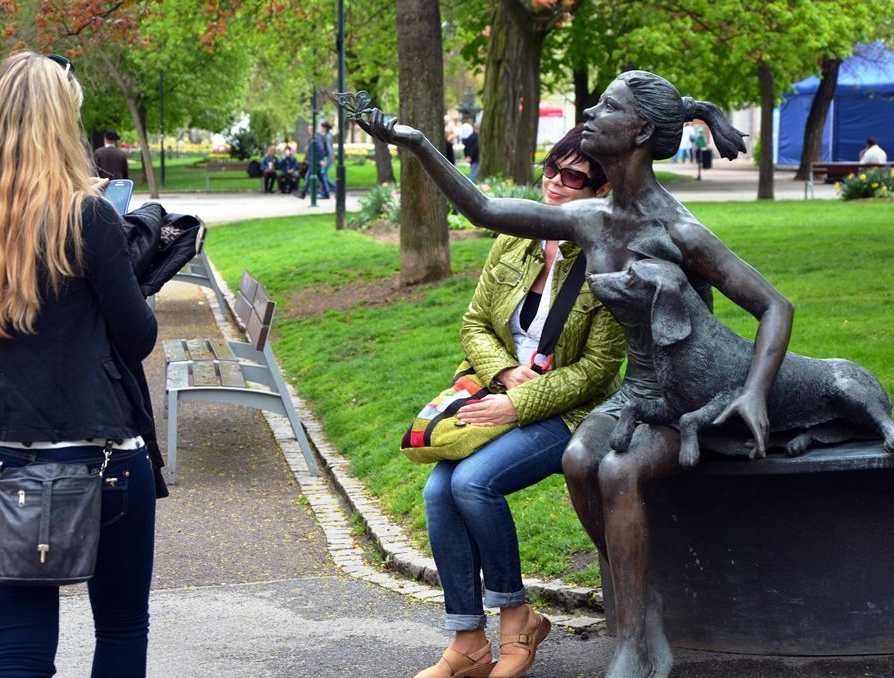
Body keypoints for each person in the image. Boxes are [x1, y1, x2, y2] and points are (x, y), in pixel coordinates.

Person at [361, 70, 793, 678]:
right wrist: (416, 143)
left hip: (683, 397)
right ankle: (634, 610)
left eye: (607, 106)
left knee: (611, 469)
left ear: (639, 132)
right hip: (635, 396)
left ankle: (633, 634)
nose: (589, 112)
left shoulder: (679, 229)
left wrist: (753, 393)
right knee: (576, 460)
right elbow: (483, 208)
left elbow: (774, 305)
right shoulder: (591, 218)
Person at [0, 52, 158, 677]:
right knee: (120, 629)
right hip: (101, 460)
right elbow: (137, 338)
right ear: (60, 122)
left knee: (21, 651)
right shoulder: (90, 217)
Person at [417, 125, 625, 678]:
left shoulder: (610, 257)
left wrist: (521, 403)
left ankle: (517, 619)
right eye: (550, 168)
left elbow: (600, 370)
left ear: (602, 189)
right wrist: (505, 374)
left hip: (571, 411)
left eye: (572, 176)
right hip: (498, 389)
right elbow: (475, 322)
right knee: (437, 492)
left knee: (471, 483)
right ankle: (467, 640)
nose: (553, 182)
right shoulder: (516, 237)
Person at [297, 124, 330, 199]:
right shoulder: (315, 138)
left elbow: (320, 149)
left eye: (309, 129)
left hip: (315, 162)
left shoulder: (316, 138)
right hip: (314, 161)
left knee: (308, 177)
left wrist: (320, 160)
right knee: (321, 178)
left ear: (312, 130)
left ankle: (303, 194)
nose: (308, 131)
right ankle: (326, 193)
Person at [320, 120, 335, 194]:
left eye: (321, 127)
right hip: (327, 157)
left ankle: (335, 188)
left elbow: (329, 148)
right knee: (323, 175)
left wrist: (331, 158)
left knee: (323, 175)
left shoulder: (327, 136)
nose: (321, 129)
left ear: (325, 128)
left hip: (327, 158)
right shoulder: (327, 135)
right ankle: (325, 191)